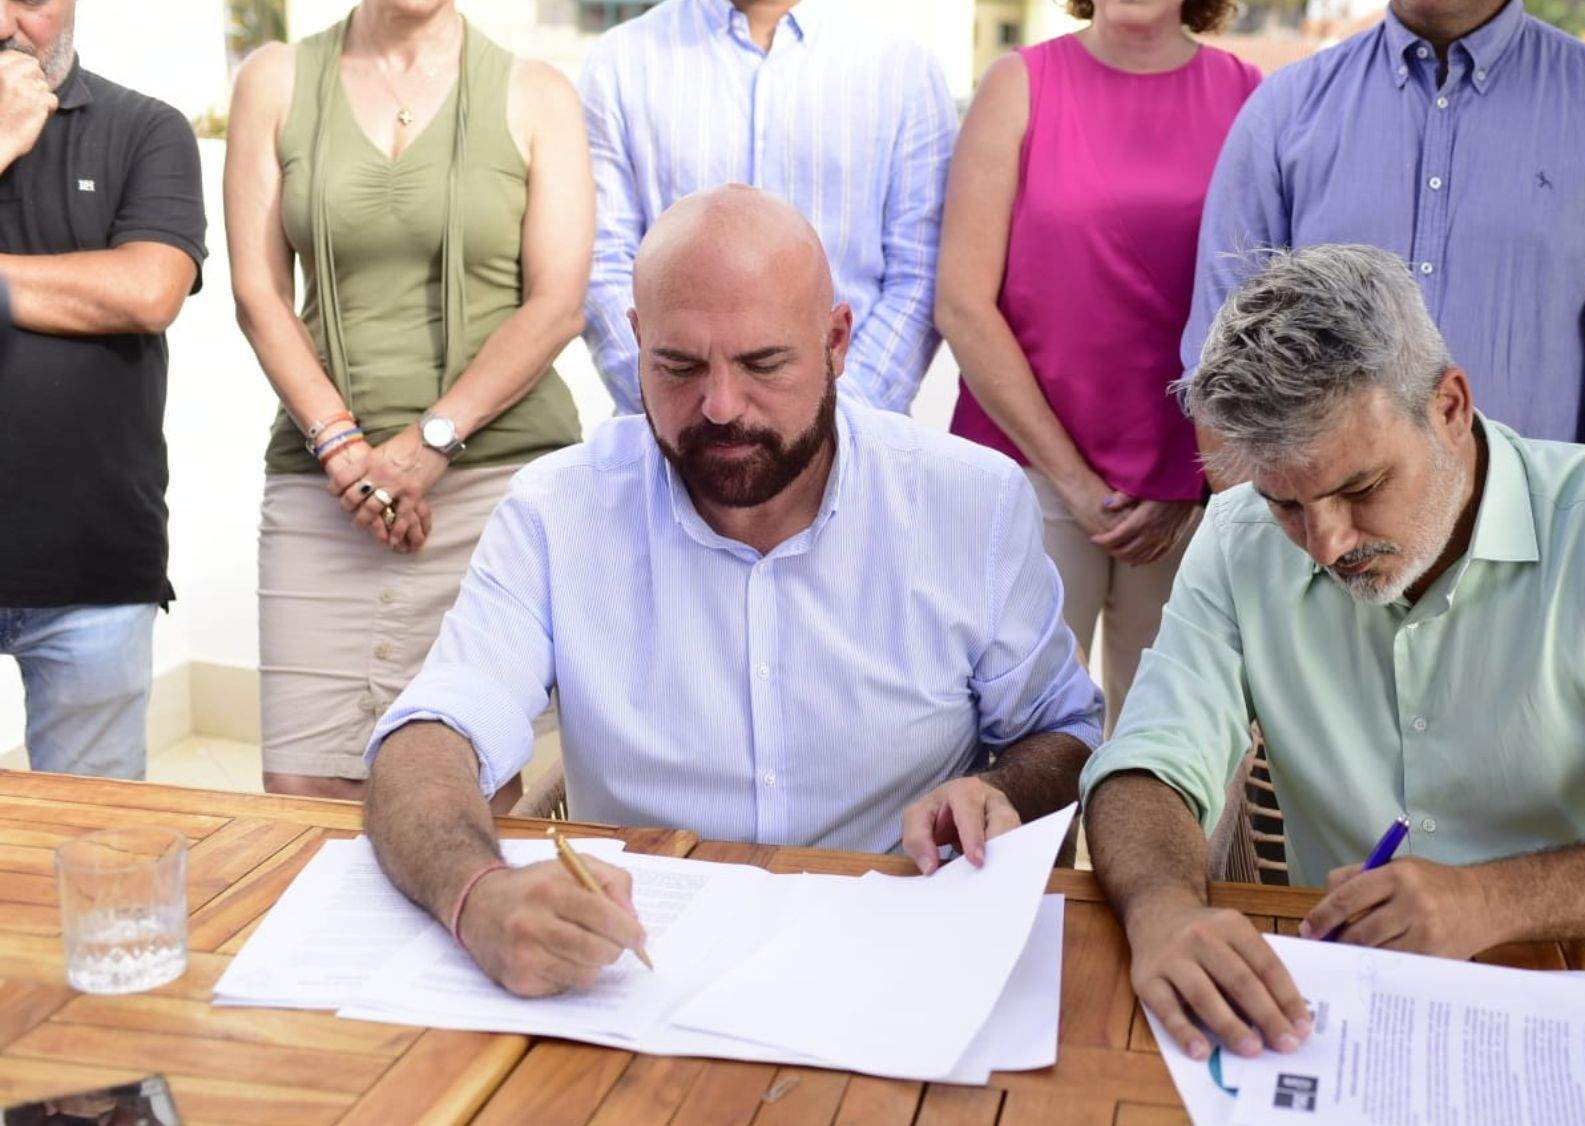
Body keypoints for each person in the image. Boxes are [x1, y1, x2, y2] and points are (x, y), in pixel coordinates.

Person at [362, 187, 1102, 997]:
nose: (719, 406)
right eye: (677, 367)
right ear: (639, 341)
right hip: (643, 975)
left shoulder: (969, 504)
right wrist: (477, 895)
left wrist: (1000, 788)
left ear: (837, 342)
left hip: (896, 963)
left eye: (763, 364)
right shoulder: (557, 512)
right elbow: (428, 738)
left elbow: (1062, 734)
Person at [1083, 245, 1585, 1062]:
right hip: (1348, 1013)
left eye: (1359, 488)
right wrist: (1161, 912)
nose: (1326, 542)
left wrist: (1489, 900)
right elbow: (1147, 762)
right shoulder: (1239, 537)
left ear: (1451, 407)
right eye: (1287, 502)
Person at [225, 0, 590, 804]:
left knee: (472, 791)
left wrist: (426, 447)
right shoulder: (275, 79)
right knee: (302, 792)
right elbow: (259, 294)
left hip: (496, 488)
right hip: (326, 482)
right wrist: (346, 453)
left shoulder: (537, 93)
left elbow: (558, 303)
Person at [1186, 0, 1585, 478]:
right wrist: (1277, 555)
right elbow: (1221, 376)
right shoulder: (1284, 109)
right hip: (1317, 550)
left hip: (1543, 552)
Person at [937, 0, 1260, 728]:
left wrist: (1194, 473)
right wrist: (1076, 484)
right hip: (1030, 474)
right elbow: (962, 303)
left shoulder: (1249, 95)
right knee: (1018, 742)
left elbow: (1254, 307)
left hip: (1189, 490)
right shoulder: (1017, 84)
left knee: (1174, 746)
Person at [0, 0, 205, 779]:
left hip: (93, 565)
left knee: (94, 850)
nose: (5, 24)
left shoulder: (146, 127)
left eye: (31, 1)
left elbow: (148, 291)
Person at [580, 0, 955, 416]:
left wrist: (835, 421)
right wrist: (680, 407)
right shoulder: (620, 64)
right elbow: (600, 263)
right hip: (664, 444)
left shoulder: (904, 71)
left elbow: (920, 273)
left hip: (858, 435)